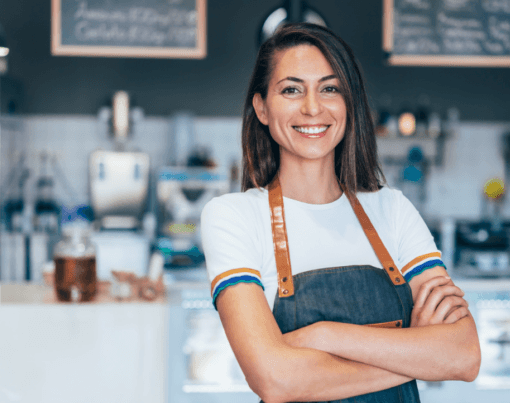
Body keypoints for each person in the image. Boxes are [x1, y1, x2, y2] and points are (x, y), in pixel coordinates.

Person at [201, 22, 480, 403]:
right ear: (262, 108)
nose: (312, 107)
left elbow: (464, 356)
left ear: (349, 103)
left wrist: (324, 335)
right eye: (291, 90)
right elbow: (274, 380)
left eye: (330, 89)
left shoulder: (392, 210)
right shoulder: (232, 217)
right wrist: (418, 352)